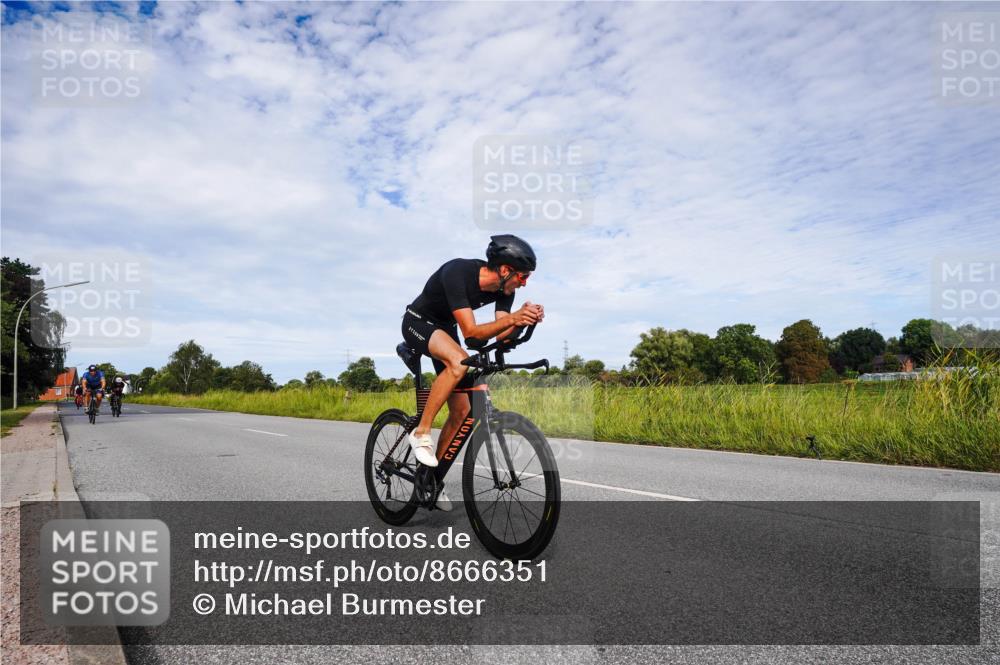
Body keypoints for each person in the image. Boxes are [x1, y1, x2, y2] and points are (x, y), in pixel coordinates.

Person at [401, 235, 544, 510]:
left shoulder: (505, 291)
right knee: (458, 362)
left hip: (445, 328)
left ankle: (429, 481)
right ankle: (422, 432)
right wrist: (515, 318)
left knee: (463, 411)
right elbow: (471, 333)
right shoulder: (458, 272)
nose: (525, 282)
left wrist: (524, 321)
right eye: (523, 276)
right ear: (505, 270)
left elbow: (500, 335)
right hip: (418, 322)